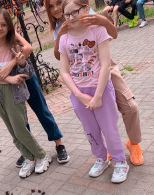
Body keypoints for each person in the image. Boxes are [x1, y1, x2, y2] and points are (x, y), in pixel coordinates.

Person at [0, 7, 70, 168]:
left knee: (41, 109)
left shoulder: (1, 29)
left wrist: (9, 66)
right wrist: (8, 78)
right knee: (19, 119)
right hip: (7, 83)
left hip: (24, 75)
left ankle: (59, 143)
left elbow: (28, 48)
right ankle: (29, 150)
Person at [45, 0, 144, 166]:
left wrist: (103, 21)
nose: (55, 9)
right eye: (50, 6)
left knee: (130, 106)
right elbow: (59, 56)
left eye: (58, 3)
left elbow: (113, 34)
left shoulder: (81, 9)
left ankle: (134, 144)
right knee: (93, 121)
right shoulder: (58, 28)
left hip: (105, 67)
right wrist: (61, 35)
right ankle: (105, 152)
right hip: (82, 77)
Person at [58, 0, 130, 183]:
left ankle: (120, 161)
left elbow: (106, 64)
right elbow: (64, 72)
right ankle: (101, 158)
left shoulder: (98, 31)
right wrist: (79, 95)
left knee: (109, 127)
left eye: (75, 12)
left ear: (85, 8)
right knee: (90, 130)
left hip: (101, 89)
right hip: (79, 93)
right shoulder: (65, 39)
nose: (71, 17)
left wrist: (98, 95)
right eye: (67, 14)